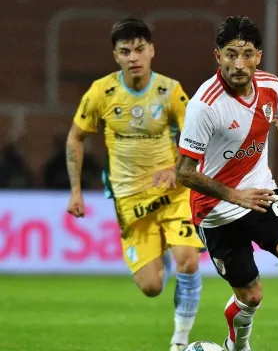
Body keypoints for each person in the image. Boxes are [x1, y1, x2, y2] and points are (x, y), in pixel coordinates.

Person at [176, 16, 278, 351]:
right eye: (230, 54)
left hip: (260, 193)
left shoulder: (271, 86)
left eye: (246, 54)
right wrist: (233, 195)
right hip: (215, 211)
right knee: (251, 297)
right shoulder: (205, 105)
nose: (238, 64)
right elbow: (183, 172)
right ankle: (237, 346)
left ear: (258, 56)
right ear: (218, 57)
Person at [65, 17, 204, 351]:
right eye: (125, 51)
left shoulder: (170, 90)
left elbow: (195, 138)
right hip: (130, 199)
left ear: (152, 50)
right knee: (152, 286)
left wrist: (175, 169)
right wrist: (75, 190)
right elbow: (75, 138)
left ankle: (180, 341)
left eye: (140, 49)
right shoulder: (101, 92)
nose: (133, 57)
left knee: (189, 259)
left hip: (173, 193)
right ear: (116, 56)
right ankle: (162, 259)